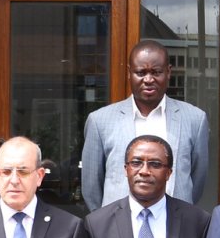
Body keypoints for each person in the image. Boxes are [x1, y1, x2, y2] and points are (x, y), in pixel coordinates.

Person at [80, 40, 210, 211]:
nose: (148, 79)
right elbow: (91, 187)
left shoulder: (195, 119)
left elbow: (197, 180)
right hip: (117, 223)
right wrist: (107, 221)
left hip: (175, 222)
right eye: (141, 73)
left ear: (168, 72)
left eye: (156, 72)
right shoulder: (100, 121)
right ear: (129, 73)